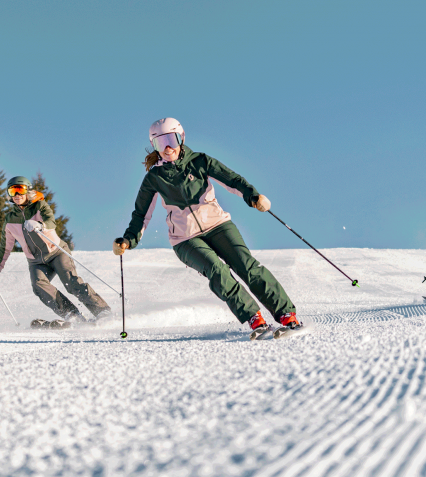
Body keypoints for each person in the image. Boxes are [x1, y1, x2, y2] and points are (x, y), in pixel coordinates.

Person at [113, 118, 301, 338]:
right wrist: (127, 240)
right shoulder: (153, 178)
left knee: (246, 266)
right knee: (217, 271)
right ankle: (255, 319)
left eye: (171, 140)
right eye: (159, 143)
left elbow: (232, 179)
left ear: (181, 138)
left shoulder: (200, 161)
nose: (167, 148)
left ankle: (288, 315)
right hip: (185, 240)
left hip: (218, 225)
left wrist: (253, 196)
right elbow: (141, 215)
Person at [0, 176, 111, 323]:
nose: (17, 195)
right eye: (13, 191)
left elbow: (51, 221)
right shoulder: (10, 219)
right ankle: (72, 315)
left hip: (56, 252)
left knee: (71, 283)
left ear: (28, 191)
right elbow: (4, 247)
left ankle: (101, 310)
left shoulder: (40, 206)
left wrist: (40, 225)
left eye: (21, 190)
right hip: (36, 261)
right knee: (38, 286)